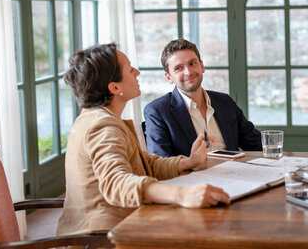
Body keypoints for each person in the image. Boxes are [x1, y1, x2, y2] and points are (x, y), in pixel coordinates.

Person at [57, 43, 229, 236]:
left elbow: (143, 163)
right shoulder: (102, 127)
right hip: (103, 237)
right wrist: (182, 194)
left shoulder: (97, 117)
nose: (137, 73)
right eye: (130, 70)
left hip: (115, 228)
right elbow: (116, 182)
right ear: (114, 87)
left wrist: (188, 162)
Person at [144, 39, 262, 157]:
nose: (188, 72)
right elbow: (161, 162)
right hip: (192, 174)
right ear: (169, 77)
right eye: (178, 68)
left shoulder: (225, 102)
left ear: (202, 66)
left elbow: (256, 144)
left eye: (192, 63)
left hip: (235, 172)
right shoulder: (157, 111)